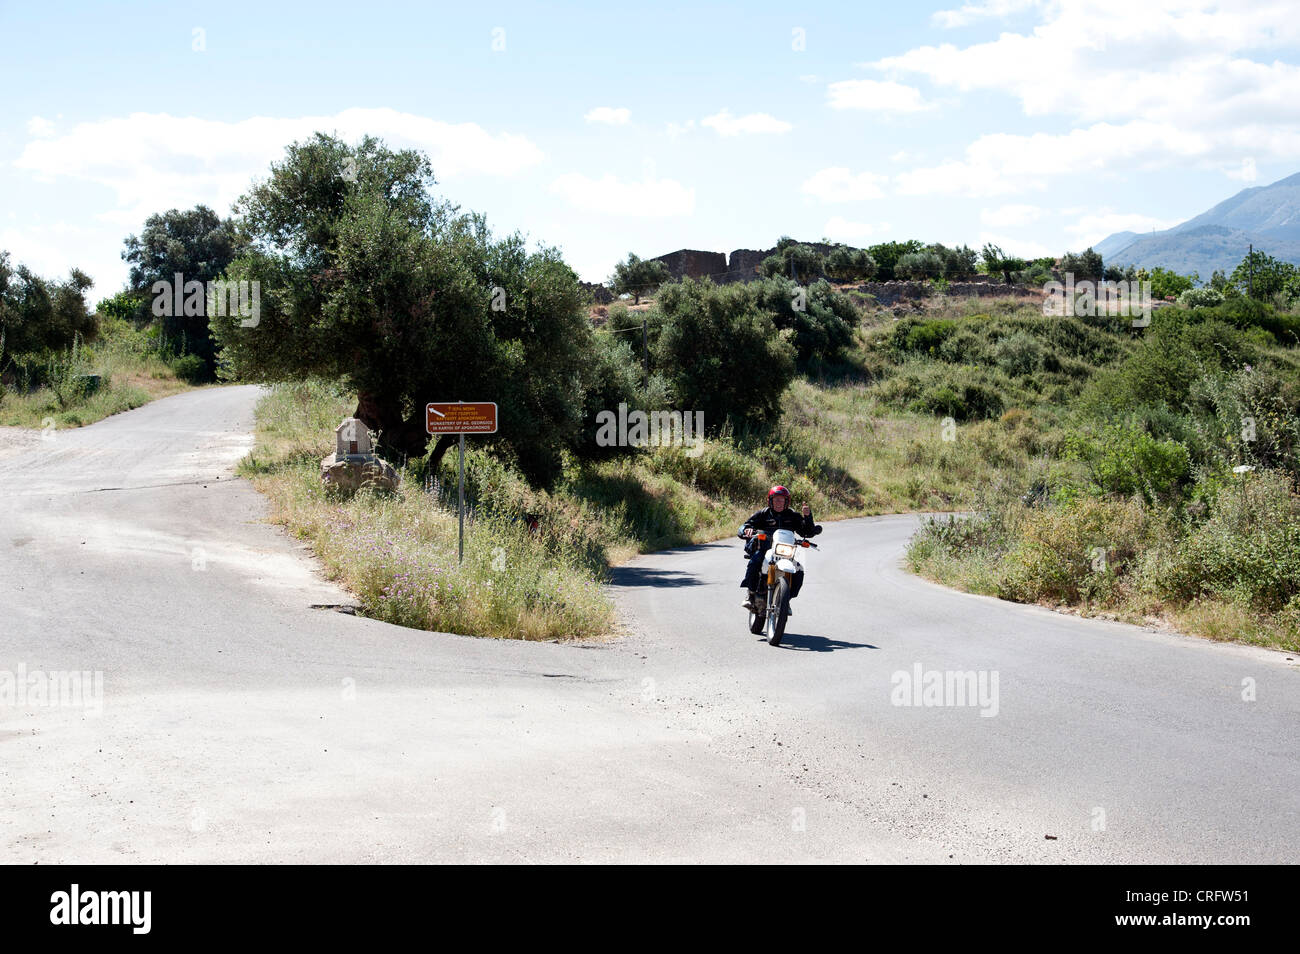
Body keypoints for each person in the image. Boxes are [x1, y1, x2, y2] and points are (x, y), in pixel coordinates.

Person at [738, 485, 816, 612]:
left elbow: (808, 531)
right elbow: (745, 525)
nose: (779, 502)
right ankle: (751, 594)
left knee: (799, 570)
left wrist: (808, 517)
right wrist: (746, 530)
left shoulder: (793, 516)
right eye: (776, 499)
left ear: (787, 502)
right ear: (770, 501)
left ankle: (786, 600)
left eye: (782, 499)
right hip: (766, 547)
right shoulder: (763, 514)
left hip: (787, 549)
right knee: (755, 561)